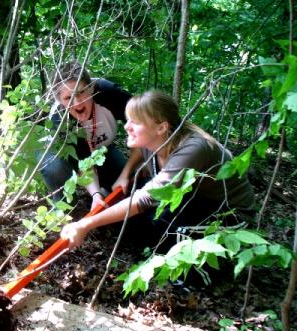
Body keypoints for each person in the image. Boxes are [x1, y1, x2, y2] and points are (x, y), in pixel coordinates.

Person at [61, 90, 255, 251]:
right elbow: (139, 150)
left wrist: (85, 224)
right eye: (127, 120)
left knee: (173, 234)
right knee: (134, 225)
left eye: (134, 122)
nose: (126, 127)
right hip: (192, 200)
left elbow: (145, 199)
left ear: (161, 127)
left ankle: (191, 279)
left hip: (228, 213)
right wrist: (125, 174)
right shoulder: (151, 139)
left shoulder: (193, 148)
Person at [40, 61, 142, 210]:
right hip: (62, 155)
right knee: (55, 167)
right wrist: (95, 195)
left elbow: (144, 125)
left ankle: (107, 190)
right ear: (60, 101)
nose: (77, 103)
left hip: (102, 149)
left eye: (81, 92)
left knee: (127, 184)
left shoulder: (108, 93)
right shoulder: (59, 118)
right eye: (68, 98)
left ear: (91, 88)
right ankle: (65, 207)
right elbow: (83, 160)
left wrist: (127, 172)